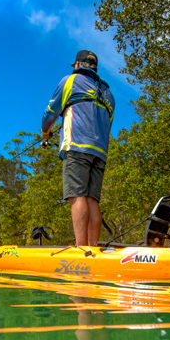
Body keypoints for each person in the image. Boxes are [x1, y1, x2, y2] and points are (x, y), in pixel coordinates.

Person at [41, 49, 115, 246]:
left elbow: (50, 113)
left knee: (77, 195)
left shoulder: (70, 81)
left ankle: (81, 248)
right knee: (92, 200)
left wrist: (45, 133)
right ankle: (93, 249)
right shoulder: (109, 94)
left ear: (77, 65)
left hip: (77, 146)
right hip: (100, 151)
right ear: (95, 68)